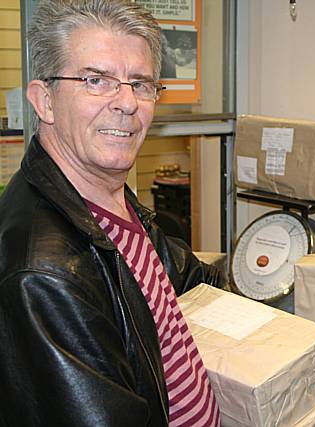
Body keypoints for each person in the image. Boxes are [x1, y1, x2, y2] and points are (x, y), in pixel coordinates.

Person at [0, 1, 222, 426]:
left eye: (140, 84)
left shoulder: (108, 199)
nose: (127, 103)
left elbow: (186, 276)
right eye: (96, 80)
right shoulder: (44, 276)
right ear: (44, 101)